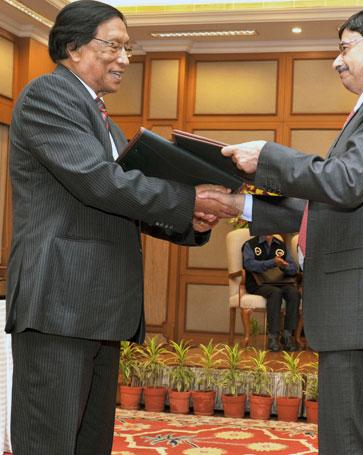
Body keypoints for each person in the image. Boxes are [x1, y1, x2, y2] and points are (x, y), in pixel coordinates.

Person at [199, 6, 363, 454]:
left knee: (353, 443)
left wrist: (269, 155)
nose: (337, 60)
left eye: (345, 47)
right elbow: (327, 204)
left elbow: (344, 182)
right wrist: (238, 203)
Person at [5, 2, 231, 453]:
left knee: (90, 443)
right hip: (59, 303)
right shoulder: (48, 95)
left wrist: (191, 219)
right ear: (72, 46)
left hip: (98, 305)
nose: (125, 59)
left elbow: (120, 201)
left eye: (129, 49)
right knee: (50, 441)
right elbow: (99, 182)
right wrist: (186, 199)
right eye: (114, 46)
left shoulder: (102, 116)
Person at [242, 234, 300, 352]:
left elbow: (294, 268)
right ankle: (273, 337)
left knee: (294, 293)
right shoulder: (250, 245)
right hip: (258, 283)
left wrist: (284, 266)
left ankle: (287, 335)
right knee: (275, 293)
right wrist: (272, 262)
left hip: (280, 281)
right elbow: (249, 264)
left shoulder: (281, 245)